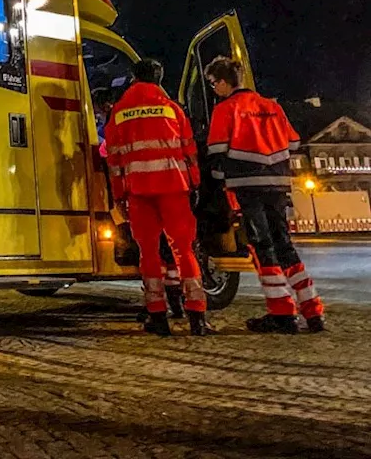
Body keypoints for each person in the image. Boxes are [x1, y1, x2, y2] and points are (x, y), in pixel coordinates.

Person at [204, 56, 326, 334]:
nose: (214, 89)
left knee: (263, 247)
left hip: (247, 186)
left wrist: (219, 178)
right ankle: (313, 311)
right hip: (278, 183)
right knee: (285, 245)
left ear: (223, 83)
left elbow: (215, 150)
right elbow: (293, 141)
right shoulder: (272, 106)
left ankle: (282, 313)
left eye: (213, 84)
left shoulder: (226, 109)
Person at [106, 58, 210, 336]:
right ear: (159, 79)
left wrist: (119, 197)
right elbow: (189, 151)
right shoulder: (172, 108)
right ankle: (197, 316)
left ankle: (157, 316)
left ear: (133, 78)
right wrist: (195, 184)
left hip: (138, 193)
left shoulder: (119, 112)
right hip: (174, 187)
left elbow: (114, 161)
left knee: (149, 254)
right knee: (184, 250)